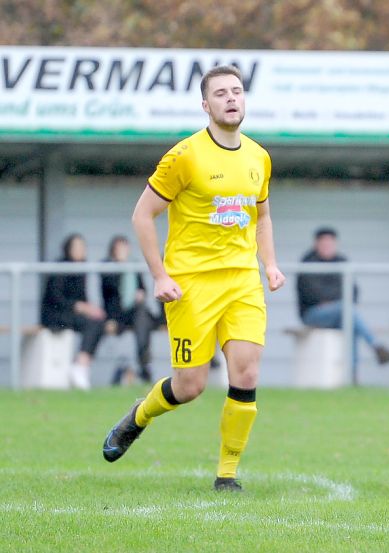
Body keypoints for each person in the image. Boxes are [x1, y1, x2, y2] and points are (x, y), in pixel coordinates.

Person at [102, 65, 286, 492]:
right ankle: (138, 417)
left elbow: (262, 216)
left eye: (237, 91)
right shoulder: (185, 155)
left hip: (242, 281)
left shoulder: (259, 157)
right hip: (191, 284)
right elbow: (142, 215)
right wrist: (160, 275)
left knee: (246, 373)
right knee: (190, 386)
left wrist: (270, 264)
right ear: (206, 105)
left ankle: (227, 475)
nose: (231, 99)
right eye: (220, 93)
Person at [296, 227, 389, 366]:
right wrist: (337, 300)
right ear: (316, 244)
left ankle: (351, 377)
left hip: (340, 312)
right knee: (347, 310)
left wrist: (332, 301)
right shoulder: (308, 263)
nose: (327, 246)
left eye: (330, 243)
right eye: (323, 243)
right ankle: (377, 347)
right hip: (312, 314)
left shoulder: (342, 261)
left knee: (351, 323)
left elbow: (354, 292)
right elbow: (312, 293)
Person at [40, 233, 106, 390]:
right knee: (92, 322)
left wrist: (90, 308)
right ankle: (80, 366)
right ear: (68, 249)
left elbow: (82, 298)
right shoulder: (60, 267)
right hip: (55, 315)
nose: (80, 250)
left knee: (98, 320)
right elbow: (55, 298)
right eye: (77, 247)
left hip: (72, 314)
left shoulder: (81, 269)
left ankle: (81, 365)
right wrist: (79, 306)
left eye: (82, 247)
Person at [101, 235, 162, 385]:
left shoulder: (134, 266)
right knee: (142, 319)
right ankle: (143, 363)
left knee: (142, 315)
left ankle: (143, 361)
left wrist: (140, 294)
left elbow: (143, 288)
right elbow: (109, 293)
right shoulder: (107, 267)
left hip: (136, 312)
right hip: (118, 315)